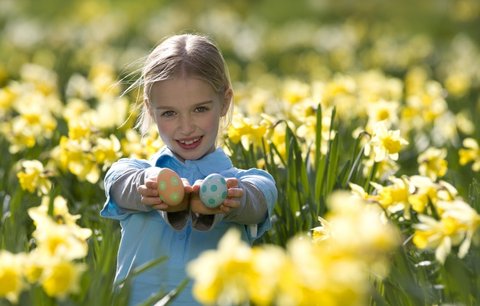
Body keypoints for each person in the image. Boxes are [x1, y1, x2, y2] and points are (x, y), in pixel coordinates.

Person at [100, 33, 277, 305]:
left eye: (200, 109)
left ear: (225, 101)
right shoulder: (133, 172)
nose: (186, 127)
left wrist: (224, 201)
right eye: (169, 113)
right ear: (150, 109)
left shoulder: (247, 183)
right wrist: (153, 185)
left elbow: (257, 202)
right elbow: (119, 185)